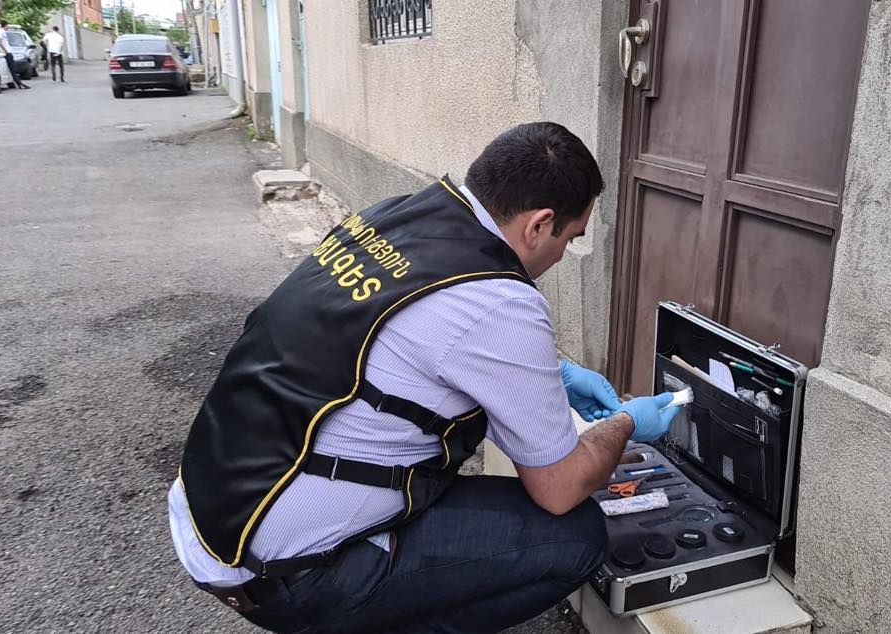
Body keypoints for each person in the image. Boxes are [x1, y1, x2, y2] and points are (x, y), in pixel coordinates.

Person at [167, 122, 682, 633]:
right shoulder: (502, 300)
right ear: (540, 224)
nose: (563, 253)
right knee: (577, 536)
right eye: (570, 237)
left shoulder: (395, 216)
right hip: (285, 574)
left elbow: (409, 340)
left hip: (215, 507)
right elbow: (560, 488)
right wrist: (624, 423)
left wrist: (557, 372)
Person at [0, 20, 28, 89]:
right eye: (8, 25)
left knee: (9, 69)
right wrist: (6, 51)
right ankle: (19, 84)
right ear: (5, 25)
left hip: (6, 52)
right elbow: (0, 43)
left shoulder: (0, 31)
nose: (8, 27)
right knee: (13, 69)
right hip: (6, 53)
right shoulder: (0, 32)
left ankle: (13, 83)